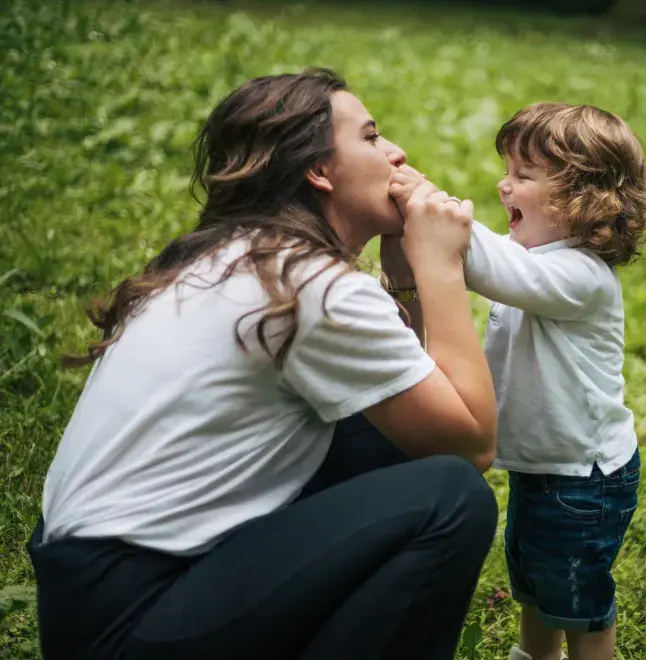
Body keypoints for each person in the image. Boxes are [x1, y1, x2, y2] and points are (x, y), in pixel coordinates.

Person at [27, 68, 499, 660]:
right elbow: (472, 444)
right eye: (372, 137)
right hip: (132, 616)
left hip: (88, 599)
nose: (397, 152)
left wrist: (403, 276)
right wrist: (441, 269)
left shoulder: (243, 258)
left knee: (388, 436)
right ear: (319, 171)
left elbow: (417, 410)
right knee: (452, 497)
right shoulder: (314, 287)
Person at [391, 102, 646, 660]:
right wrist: (426, 196)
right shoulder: (533, 256)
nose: (502, 185)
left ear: (582, 199)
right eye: (507, 171)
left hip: (585, 477)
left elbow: (485, 262)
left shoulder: (581, 276)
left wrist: (427, 205)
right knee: (535, 581)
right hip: (545, 467)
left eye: (523, 176)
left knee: (579, 602)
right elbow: (492, 255)